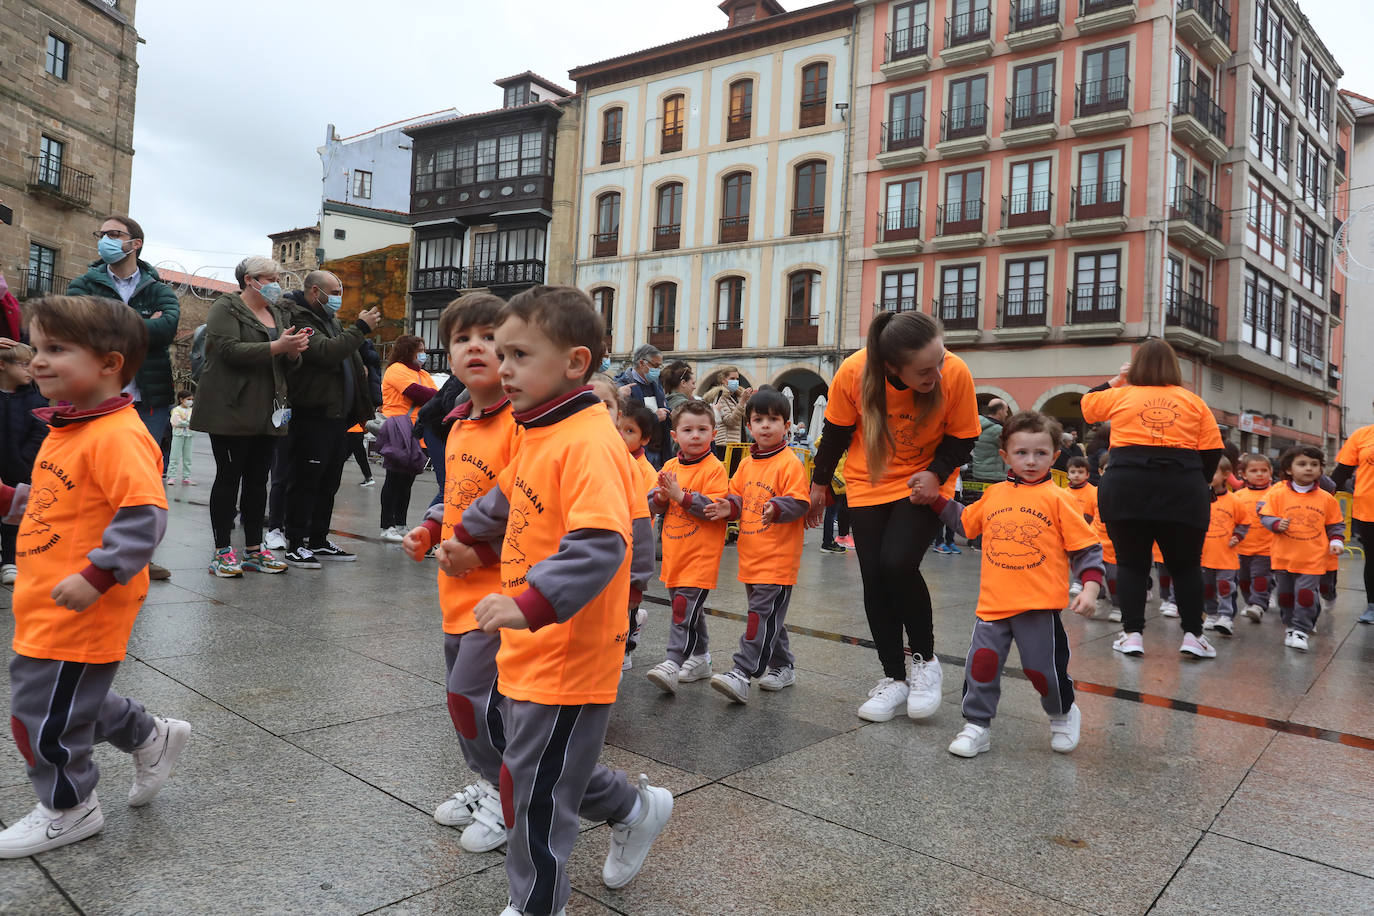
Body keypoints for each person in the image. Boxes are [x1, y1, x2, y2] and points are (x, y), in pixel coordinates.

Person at [441, 286, 673, 915]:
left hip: (567, 649)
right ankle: (634, 808)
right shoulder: (540, 429)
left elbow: (602, 545)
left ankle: (537, 904)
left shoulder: (590, 442)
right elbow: (504, 498)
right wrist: (456, 534)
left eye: (518, 354)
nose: (503, 365)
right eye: (499, 351)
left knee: (536, 793)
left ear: (574, 362)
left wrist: (530, 603)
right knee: (528, 768)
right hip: (527, 635)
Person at [0, 295, 189, 858]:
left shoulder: (118, 435)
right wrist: (11, 501)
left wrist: (99, 575)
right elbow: (61, 503)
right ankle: (149, 735)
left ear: (109, 363)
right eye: (36, 348)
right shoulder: (72, 426)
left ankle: (70, 807)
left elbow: (144, 514)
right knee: (65, 695)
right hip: (47, 592)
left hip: (84, 600)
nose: (36, 361)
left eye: (56, 349)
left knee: (38, 714)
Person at [807, 312, 981, 723]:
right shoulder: (854, 372)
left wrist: (937, 474)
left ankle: (925, 661)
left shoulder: (955, 373)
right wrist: (819, 485)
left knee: (897, 563)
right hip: (869, 480)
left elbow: (964, 437)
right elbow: (835, 432)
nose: (937, 373)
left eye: (940, 361)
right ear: (890, 367)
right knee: (874, 576)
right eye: (925, 370)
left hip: (925, 480)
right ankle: (894, 678)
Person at [399, 294, 518, 854]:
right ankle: (485, 781)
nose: (476, 346)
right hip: (455, 590)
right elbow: (452, 495)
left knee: (476, 697)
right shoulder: (459, 422)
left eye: (490, 337)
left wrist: (484, 554)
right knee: (460, 696)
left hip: (503, 594)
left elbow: (533, 514)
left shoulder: (521, 423)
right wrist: (428, 528)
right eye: (462, 338)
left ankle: (505, 793)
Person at [929, 411, 1103, 758]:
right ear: (1005, 455)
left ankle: (1063, 712)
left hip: (1038, 607)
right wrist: (935, 499)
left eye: (1041, 453)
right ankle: (977, 726)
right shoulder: (994, 494)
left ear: (1055, 456)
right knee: (982, 664)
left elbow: (1086, 548)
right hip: (993, 605)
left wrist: (1091, 588)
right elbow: (966, 523)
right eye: (1021, 453)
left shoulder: (1060, 498)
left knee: (1043, 672)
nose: (1031, 461)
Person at [1080, 339, 1224, 659]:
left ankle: (1132, 635)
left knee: (1131, 564)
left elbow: (1087, 404)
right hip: (1182, 487)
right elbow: (1212, 451)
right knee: (1186, 567)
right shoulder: (1193, 401)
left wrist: (1117, 380)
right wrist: (1195, 484)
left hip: (1125, 485)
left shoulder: (1122, 394)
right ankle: (1192, 635)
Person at [67, 215, 180, 581]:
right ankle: (90, 553)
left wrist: (111, 321)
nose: (105, 240)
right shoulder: (84, 283)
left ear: (136, 243)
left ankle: (137, 557)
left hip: (148, 399)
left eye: (114, 234)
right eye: (101, 234)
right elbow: (78, 328)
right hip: (96, 396)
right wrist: (137, 322)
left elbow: (166, 330)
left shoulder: (159, 288)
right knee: (91, 475)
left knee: (143, 478)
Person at [191, 257, 306, 577]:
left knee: (258, 481)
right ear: (251, 279)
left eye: (278, 278)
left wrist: (293, 352)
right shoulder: (225, 308)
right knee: (229, 477)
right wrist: (278, 346)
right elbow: (227, 350)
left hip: (269, 410)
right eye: (271, 278)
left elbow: (286, 363)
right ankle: (222, 550)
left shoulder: (278, 313)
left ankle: (255, 550)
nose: (277, 284)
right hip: (230, 407)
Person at [704, 387, 810, 703]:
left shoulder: (790, 463)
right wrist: (728, 508)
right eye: (758, 419)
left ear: (787, 425)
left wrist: (777, 508)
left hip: (777, 559)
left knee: (759, 616)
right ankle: (783, 665)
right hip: (751, 555)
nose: (765, 425)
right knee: (768, 616)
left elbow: (799, 502)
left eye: (773, 419)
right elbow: (736, 496)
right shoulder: (748, 463)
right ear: (749, 426)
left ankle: (742, 672)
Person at [277, 271, 381, 568]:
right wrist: (360, 328)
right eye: (334, 291)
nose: (339, 296)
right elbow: (325, 352)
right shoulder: (301, 319)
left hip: (338, 416)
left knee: (328, 482)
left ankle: (318, 539)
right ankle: (295, 542)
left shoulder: (330, 320)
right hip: (313, 414)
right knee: (306, 481)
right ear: (314, 292)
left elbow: (348, 355)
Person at [645, 400, 730, 694]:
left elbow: (713, 507)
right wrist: (660, 498)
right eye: (688, 429)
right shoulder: (669, 466)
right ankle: (701, 657)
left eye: (702, 429)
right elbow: (654, 502)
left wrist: (680, 496)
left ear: (713, 433)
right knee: (690, 611)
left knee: (683, 610)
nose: (695, 435)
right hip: (675, 554)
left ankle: (673, 660)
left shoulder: (715, 469)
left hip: (700, 554)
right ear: (674, 435)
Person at [1260, 445, 1345, 652]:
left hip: (1313, 557)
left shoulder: (1326, 498)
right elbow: (1265, 515)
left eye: (1314, 465)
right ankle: (1290, 625)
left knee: (1306, 594)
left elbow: (1336, 524)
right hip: (1284, 556)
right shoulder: (1278, 494)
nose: (1309, 468)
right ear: (1289, 469)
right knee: (1286, 596)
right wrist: (1274, 523)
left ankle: (1301, 629)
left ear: (1320, 470)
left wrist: (1336, 540)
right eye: (1302, 464)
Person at [378, 335, 436, 541]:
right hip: (399, 429)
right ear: (407, 350)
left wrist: (432, 396)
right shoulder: (396, 370)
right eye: (420, 349)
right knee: (394, 478)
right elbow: (419, 394)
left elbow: (437, 398)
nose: (424, 353)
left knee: (407, 480)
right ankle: (387, 525)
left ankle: (400, 523)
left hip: (417, 433)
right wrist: (432, 395)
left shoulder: (423, 373)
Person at [616, 404, 660, 667]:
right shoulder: (607, 458)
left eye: (630, 431)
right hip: (611, 540)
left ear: (644, 439)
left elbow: (645, 512)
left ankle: (625, 649)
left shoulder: (646, 471)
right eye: (618, 428)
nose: (621, 435)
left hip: (632, 542)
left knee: (627, 602)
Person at [0, 343, 47, 585]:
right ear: (2, 365)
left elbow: (40, 431)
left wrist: (25, 460)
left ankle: (10, 559)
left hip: (21, 468)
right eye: (24, 364)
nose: (31, 369)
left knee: (15, 516)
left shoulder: (34, 399)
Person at [1332, 413, 1374, 623]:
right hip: (1368, 510)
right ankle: (1373, 606)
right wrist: (1318, 494)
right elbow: (1342, 472)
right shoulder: (1362, 436)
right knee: (1373, 560)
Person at [1200, 457, 1249, 636]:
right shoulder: (1199, 498)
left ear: (1226, 475)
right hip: (1204, 555)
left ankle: (1226, 616)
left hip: (1226, 555)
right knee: (1207, 588)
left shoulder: (1235, 501)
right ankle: (1211, 614)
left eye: (1212, 472)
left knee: (1225, 587)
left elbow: (1244, 522)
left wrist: (1238, 536)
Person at [1233, 454, 1275, 622]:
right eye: (1254, 470)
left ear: (1271, 472)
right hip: (1242, 547)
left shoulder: (1275, 493)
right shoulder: (1238, 496)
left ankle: (1258, 605)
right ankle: (1251, 601)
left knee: (1259, 576)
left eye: (1264, 470)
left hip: (1267, 547)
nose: (1259, 474)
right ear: (1243, 474)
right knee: (1243, 580)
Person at [616, 344, 669, 467]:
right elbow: (629, 419)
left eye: (660, 366)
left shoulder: (656, 384)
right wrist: (655, 417)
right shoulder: (623, 386)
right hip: (637, 451)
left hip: (659, 449)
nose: (658, 370)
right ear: (642, 363)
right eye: (655, 366)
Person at [705, 366, 752, 470]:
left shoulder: (737, 396)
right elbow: (729, 420)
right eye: (732, 379)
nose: (735, 381)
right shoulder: (721, 396)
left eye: (737, 379)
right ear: (723, 380)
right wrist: (742, 402)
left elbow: (744, 419)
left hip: (739, 443)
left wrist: (747, 403)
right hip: (726, 445)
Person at [1064, 456, 1097, 596]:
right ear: (1068, 474)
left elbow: (1097, 514)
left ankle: (1079, 581)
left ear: (1087, 474)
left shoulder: (1094, 492)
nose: (1076, 475)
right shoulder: (1064, 493)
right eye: (1073, 472)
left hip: (1089, 530)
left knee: (1085, 558)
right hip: (1070, 532)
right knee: (1073, 558)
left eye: (1080, 472)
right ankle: (1077, 580)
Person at [166, 390, 195, 486]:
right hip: (178, 435)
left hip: (189, 435)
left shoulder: (192, 410)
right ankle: (171, 477)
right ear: (181, 399)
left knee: (188, 458)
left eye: (191, 399)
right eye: (188, 399)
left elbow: (194, 421)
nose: (190, 401)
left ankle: (186, 477)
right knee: (174, 457)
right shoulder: (176, 410)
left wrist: (184, 422)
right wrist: (188, 423)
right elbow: (175, 422)